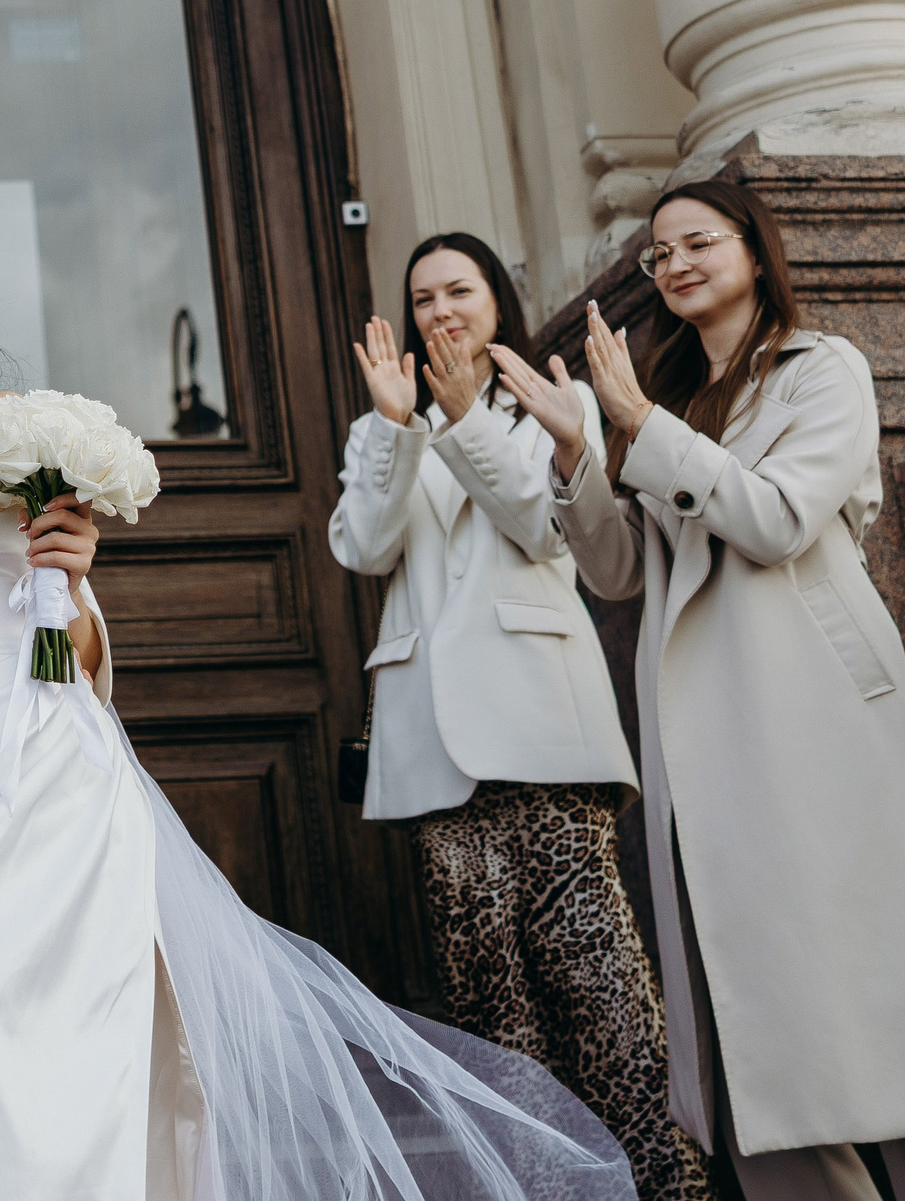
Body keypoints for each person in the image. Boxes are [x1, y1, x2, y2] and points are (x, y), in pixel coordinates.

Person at [0, 158, 637, 1201]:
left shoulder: (16, 417)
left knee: (105, 1084)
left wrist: (69, 581)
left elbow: (69, 655)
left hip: (58, 780)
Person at [497, 178, 905, 1201]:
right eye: (659, 253)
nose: (677, 262)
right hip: (707, 750)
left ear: (753, 249)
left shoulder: (817, 368)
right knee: (757, 1051)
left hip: (818, 728)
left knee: (897, 1034)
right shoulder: (673, 401)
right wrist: (577, 446)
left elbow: (778, 518)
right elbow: (616, 572)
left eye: (698, 240)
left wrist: (638, 422)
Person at [330, 233, 703, 1200]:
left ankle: (666, 1186)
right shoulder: (386, 421)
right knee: (494, 1007)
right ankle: (541, 1188)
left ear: (497, 299)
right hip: (436, 749)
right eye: (421, 299)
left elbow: (547, 528)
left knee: (605, 992)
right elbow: (364, 549)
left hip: (543, 730)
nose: (440, 311)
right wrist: (401, 428)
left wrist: (465, 419)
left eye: (459, 290)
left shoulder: (553, 398)